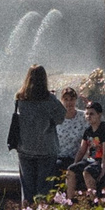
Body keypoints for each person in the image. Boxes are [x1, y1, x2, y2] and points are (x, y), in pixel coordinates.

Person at [7, 65, 67, 200]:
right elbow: (61, 117)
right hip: (46, 149)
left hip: (25, 148)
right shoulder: (49, 99)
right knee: (44, 189)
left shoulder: (20, 97)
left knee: (27, 189)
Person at [65, 100, 105, 194]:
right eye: (87, 114)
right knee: (70, 170)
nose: (88, 116)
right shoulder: (88, 131)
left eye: (92, 114)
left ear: (99, 115)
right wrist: (75, 164)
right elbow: (81, 151)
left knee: (87, 172)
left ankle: (94, 201)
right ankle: (69, 201)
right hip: (92, 160)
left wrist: (103, 171)